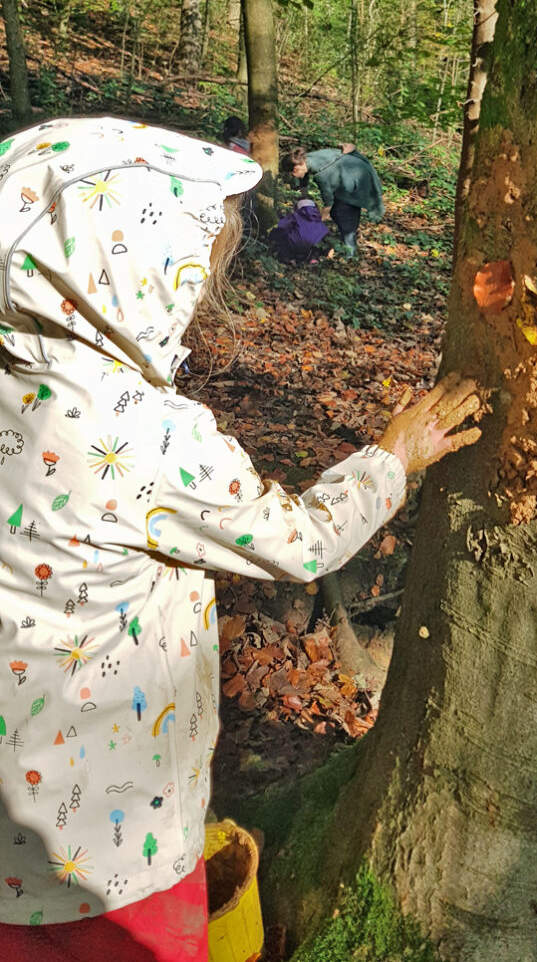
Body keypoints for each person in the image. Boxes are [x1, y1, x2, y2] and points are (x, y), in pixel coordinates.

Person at [0, 116, 480, 961]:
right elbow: (296, 542)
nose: (200, 288)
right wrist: (393, 457)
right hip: (101, 839)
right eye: (192, 266)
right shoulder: (136, 430)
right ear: (130, 270)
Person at [280, 145, 384, 259]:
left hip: (356, 180)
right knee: (336, 212)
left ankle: (350, 254)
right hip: (345, 176)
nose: (293, 176)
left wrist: (321, 219)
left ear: (296, 169)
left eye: (292, 174)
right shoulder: (306, 159)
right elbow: (303, 182)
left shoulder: (321, 173)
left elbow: (328, 200)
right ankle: (343, 242)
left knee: (346, 219)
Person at [267, 195, 330, 263]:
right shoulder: (318, 219)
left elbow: (282, 227)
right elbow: (324, 232)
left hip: (294, 244)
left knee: (284, 238)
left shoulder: (295, 216)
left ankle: (288, 258)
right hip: (312, 247)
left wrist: (271, 235)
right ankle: (312, 258)